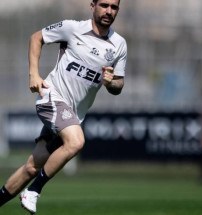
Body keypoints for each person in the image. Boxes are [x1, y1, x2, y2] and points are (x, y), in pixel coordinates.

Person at [0, 0, 127, 213]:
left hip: (73, 115)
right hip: (52, 97)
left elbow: (119, 85)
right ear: (93, 5)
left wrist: (110, 82)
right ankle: (34, 191)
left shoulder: (119, 44)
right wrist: (33, 74)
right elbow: (36, 37)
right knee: (76, 141)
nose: (108, 11)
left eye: (114, 7)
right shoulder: (73, 28)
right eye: (104, 5)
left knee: (33, 166)